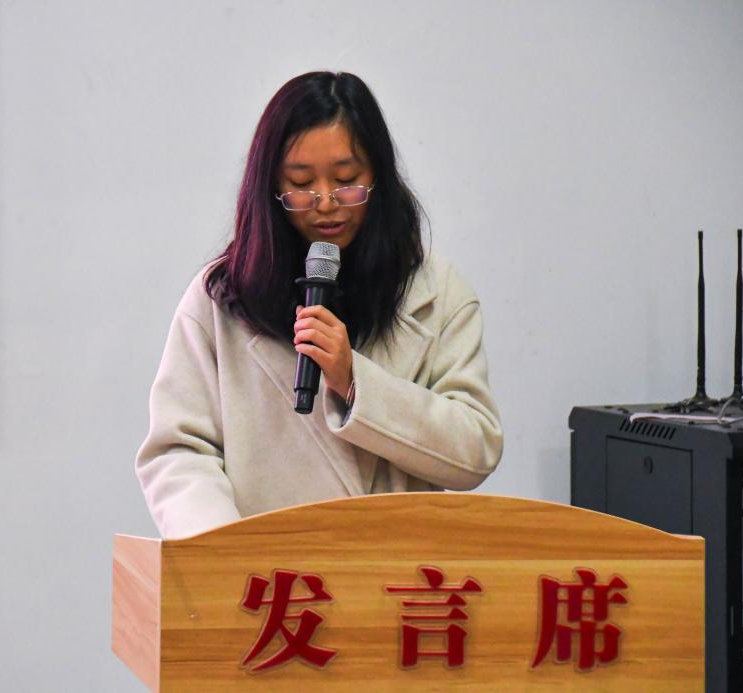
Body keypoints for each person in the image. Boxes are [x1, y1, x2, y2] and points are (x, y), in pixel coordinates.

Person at [136, 71, 503, 539]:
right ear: (270, 186)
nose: (325, 203)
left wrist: (355, 383)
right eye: (301, 183)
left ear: (379, 176)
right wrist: (224, 551)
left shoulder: (436, 293)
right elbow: (178, 451)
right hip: (268, 573)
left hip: (393, 570)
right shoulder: (220, 299)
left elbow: (475, 449)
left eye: (347, 181)